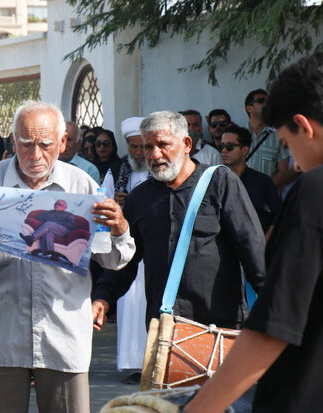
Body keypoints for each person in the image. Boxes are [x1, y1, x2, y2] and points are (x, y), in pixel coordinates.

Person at [0, 101, 135, 413]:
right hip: (0, 336)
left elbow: (114, 261)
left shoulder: (83, 186)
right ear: (13, 141)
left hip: (63, 338)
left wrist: (119, 227)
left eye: (45, 144)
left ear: (63, 142)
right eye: (25, 144)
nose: (35, 155)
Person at [184, 53, 323, 413]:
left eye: (289, 145)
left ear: (303, 126)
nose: (293, 163)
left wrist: (199, 408)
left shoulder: (313, 190)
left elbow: (275, 325)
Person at [92, 111, 266, 331]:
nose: (154, 155)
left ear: (186, 144)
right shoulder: (140, 198)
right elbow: (126, 259)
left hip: (220, 325)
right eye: (148, 147)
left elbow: (251, 247)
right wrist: (103, 298)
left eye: (163, 144)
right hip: (164, 328)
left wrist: (272, 308)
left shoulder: (220, 183)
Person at [100, 116, 150, 383]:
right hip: (126, 248)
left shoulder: (159, 167)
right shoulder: (118, 170)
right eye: (133, 148)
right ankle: (133, 364)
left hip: (152, 248)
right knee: (130, 307)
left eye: (142, 147)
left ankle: (155, 363)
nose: (139, 153)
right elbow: (102, 202)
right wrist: (115, 204)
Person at [220, 125, 281, 234]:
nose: (224, 151)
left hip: (253, 242)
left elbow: (278, 214)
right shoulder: (215, 180)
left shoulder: (262, 181)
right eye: (221, 146)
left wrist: (265, 241)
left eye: (229, 146)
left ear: (244, 150)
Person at [244, 88, 298, 189]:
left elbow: (283, 171)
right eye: (261, 101)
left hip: (267, 201)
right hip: (241, 198)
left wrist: (265, 190)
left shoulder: (278, 136)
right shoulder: (238, 135)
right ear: (249, 108)